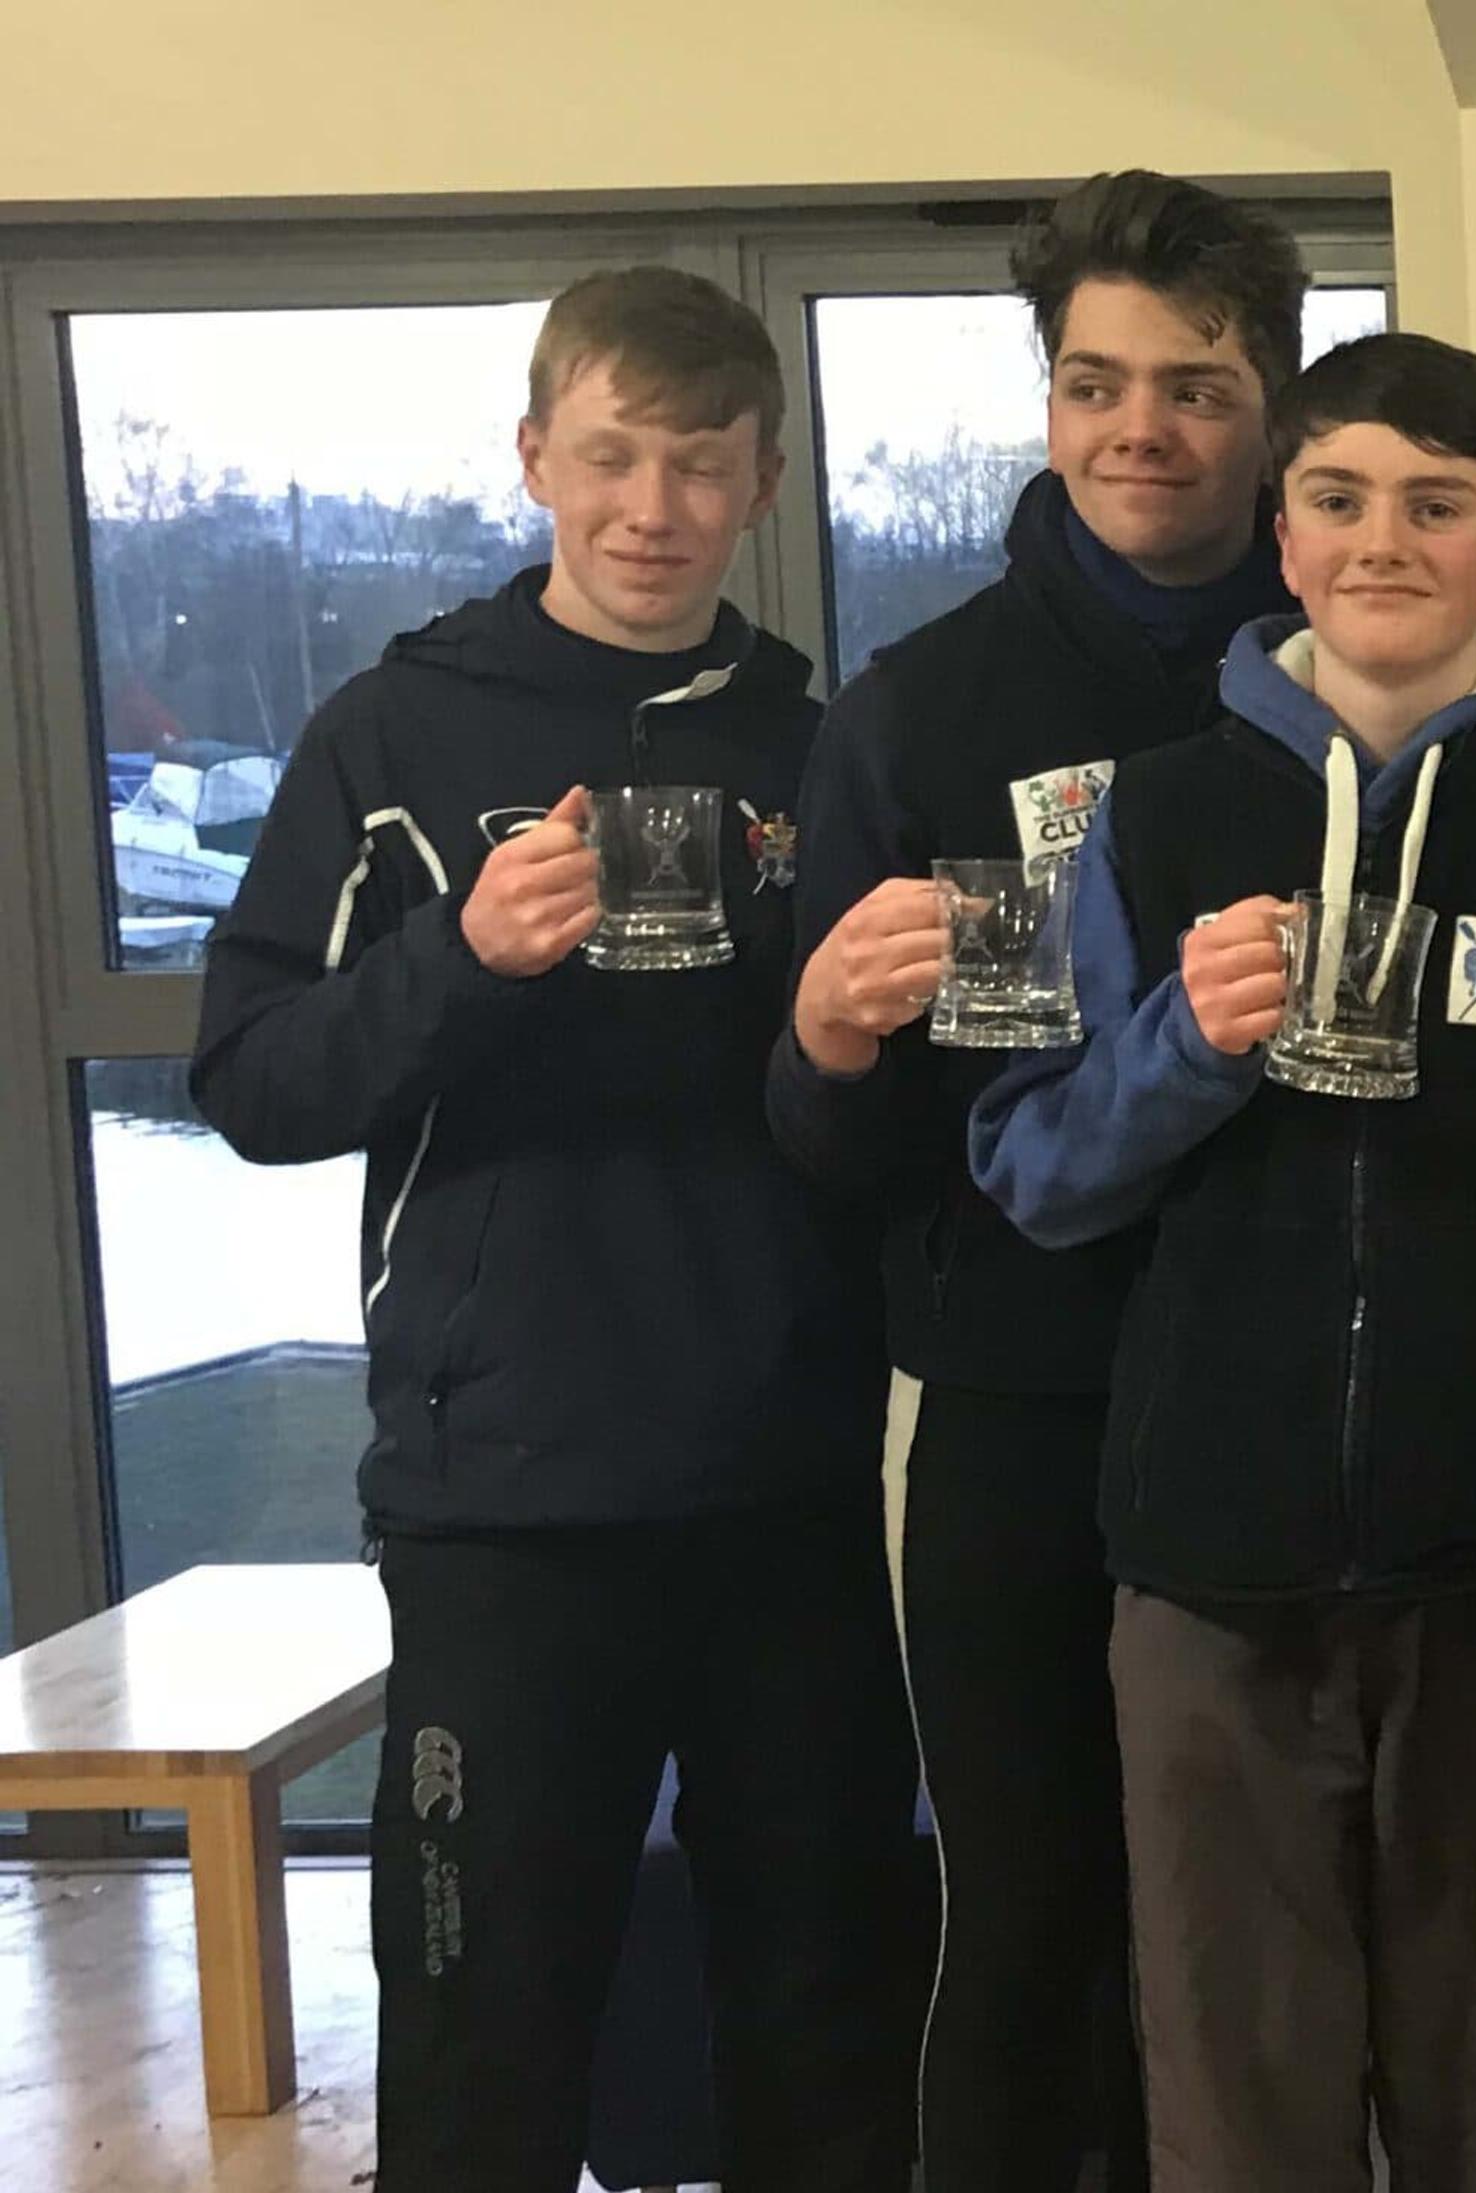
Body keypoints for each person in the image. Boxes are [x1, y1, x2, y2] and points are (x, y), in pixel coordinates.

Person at [189, 266, 917, 2188]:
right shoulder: (388, 736)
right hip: (501, 1495)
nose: (651, 504)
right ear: (535, 458)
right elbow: (254, 1079)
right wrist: (465, 959)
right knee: (481, 2019)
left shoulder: (825, 746)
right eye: (610, 455)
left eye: (698, 462)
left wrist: (851, 1034)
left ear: (761, 480)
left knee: (826, 2012)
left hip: (788, 1481)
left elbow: (875, 1115)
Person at [970, 330, 1476, 2191]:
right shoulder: (1147, 816)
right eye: (1338, 498)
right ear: (1283, 540)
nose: (1385, 541)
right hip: (1206, 1585)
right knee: (1234, 2117)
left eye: (1436, 506)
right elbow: (1037, 1175)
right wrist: (1179, 1052)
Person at [767, 168, 1307, 2192]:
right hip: (1017, 1407)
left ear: (1274, 405)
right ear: (1049, 396)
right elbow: (834, 1148)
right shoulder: (923, 709)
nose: (1141, 429)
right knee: (1029, 1916)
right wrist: (824, 1032)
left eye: (1195, 385)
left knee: (1262, 1931)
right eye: (1097, 382)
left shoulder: (1354, 690)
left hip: (1288, 1395)